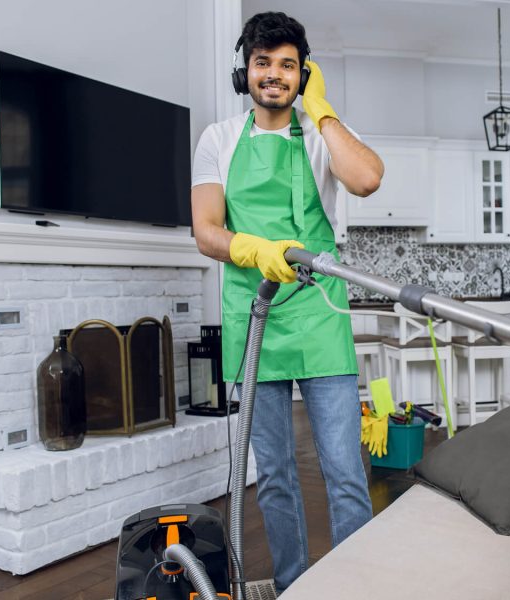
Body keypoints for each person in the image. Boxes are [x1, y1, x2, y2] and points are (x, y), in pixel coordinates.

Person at [190, 11, 384, 593]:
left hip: (319, 314)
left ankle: (355, 587)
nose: (273, 74)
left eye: (288, 65)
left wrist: (321, 110)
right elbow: (206, 230)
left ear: (304, 73)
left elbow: (369, 178)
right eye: (262, 63)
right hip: (254, 318)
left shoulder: (321, 136)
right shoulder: (219, 139)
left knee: (345, 471)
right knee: (273, 474)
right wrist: (251, 248)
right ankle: (297, 584)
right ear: (243, 71)